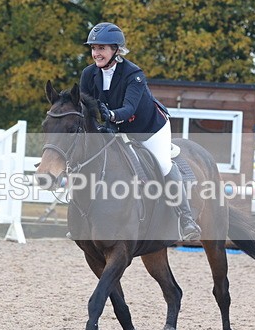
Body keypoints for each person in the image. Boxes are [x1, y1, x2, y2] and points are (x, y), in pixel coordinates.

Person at [79, 22, 201, 241]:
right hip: (115, 129)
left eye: (101, 48)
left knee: (163, 164)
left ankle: (186, 218)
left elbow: (129, 109)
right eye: (94, 48)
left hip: (149, 129)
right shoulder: (89, 74)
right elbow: (85, 107)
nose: (96, 53)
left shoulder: (133, 74)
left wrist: (112, 115)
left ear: (116, 50)